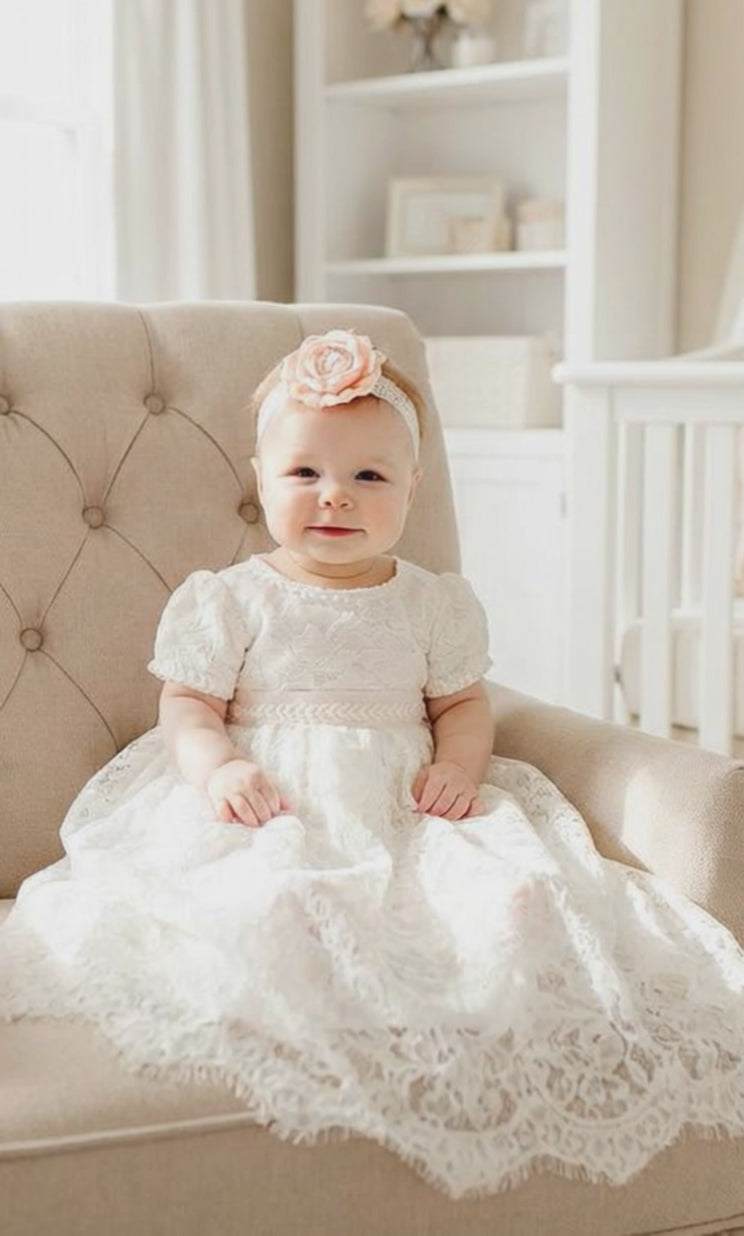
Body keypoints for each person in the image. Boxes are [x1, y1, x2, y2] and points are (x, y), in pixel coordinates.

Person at [2, 329, 744, 1200]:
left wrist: (461, 765)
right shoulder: (232, 598)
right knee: (275, 895)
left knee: (515, 896)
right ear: (260, 478)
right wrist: (216, 769)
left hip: (404, 804)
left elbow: (462, 706)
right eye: (304, 472)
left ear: (411, 488)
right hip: (269, 798)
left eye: (369, 476)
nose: (335, 495)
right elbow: (188, 705)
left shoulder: (431, 602)